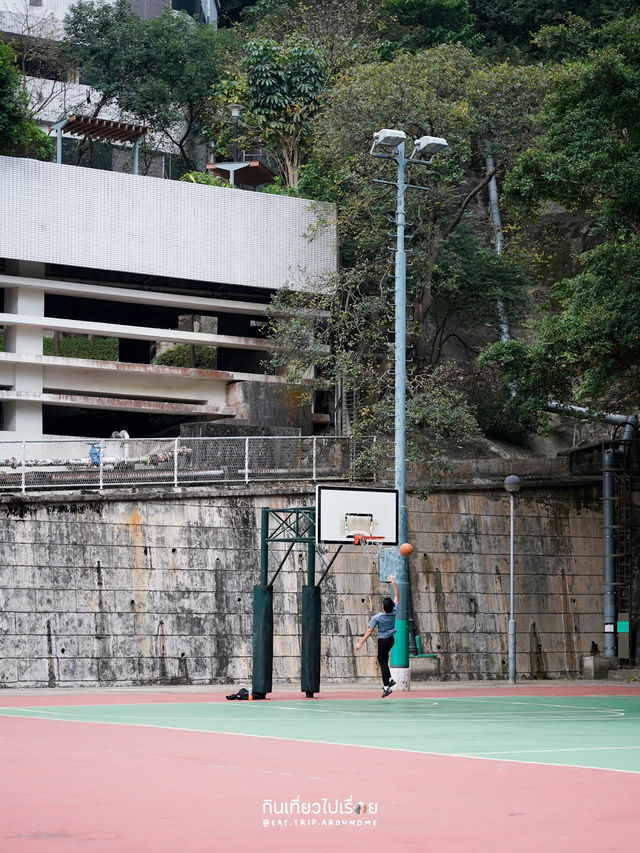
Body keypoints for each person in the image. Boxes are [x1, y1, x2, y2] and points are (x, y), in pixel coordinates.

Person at [355, 575, 399, 697]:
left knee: (382, 661)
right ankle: (389, 680)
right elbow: (397, 596)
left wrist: (360, 644)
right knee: (383, 660)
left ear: (383, 607)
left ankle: (386, 687)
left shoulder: (378, 617)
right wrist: (394, 583)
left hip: (383, 641)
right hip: (391, 640)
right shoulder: (394, 611)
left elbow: (369, 632)